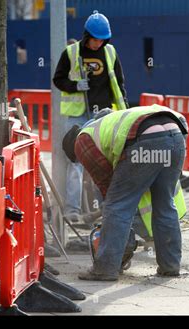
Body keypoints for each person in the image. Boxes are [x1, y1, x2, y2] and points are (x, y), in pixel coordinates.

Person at [62, 104, 188, 281]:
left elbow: (110, 191)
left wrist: (120, 233)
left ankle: (105, 269)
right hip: (176, 135)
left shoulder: (82, 140)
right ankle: (170, 266)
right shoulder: (107, 122)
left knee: (117, 206)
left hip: (146, 141)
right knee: (165, 203)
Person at [53, 12, 128, 221]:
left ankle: (106, 208)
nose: (98, 43)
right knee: (75, 162)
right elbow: (58, 79)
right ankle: (72, 210)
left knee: (102, 163)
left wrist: (124, 110)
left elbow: (119, 84)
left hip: (102, 114)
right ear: (87, 36)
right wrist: (75, 86)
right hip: (78, 115)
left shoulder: (110, 53)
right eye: (95, 39)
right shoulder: (71, 52)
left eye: (102, 40)